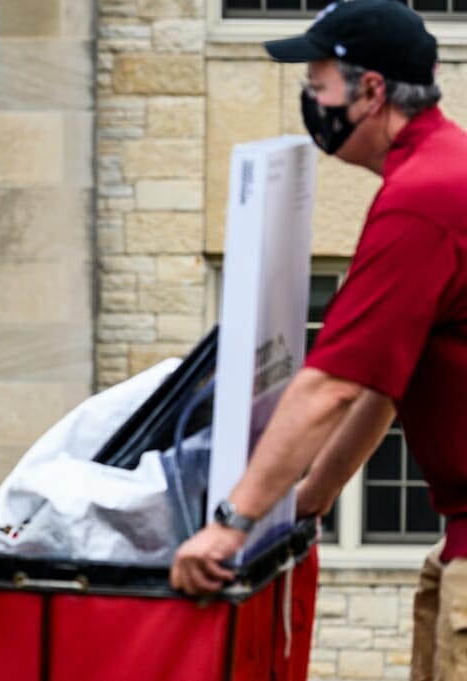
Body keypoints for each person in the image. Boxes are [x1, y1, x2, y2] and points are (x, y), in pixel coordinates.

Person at [168, 1, 467, 678]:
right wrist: (308, 498)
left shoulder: (424, 196)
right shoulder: (440, 169)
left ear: (371, 90)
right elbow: (385, 381)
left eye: (318, 82)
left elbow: (330, 384)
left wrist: (230, 523)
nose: (308, 98)